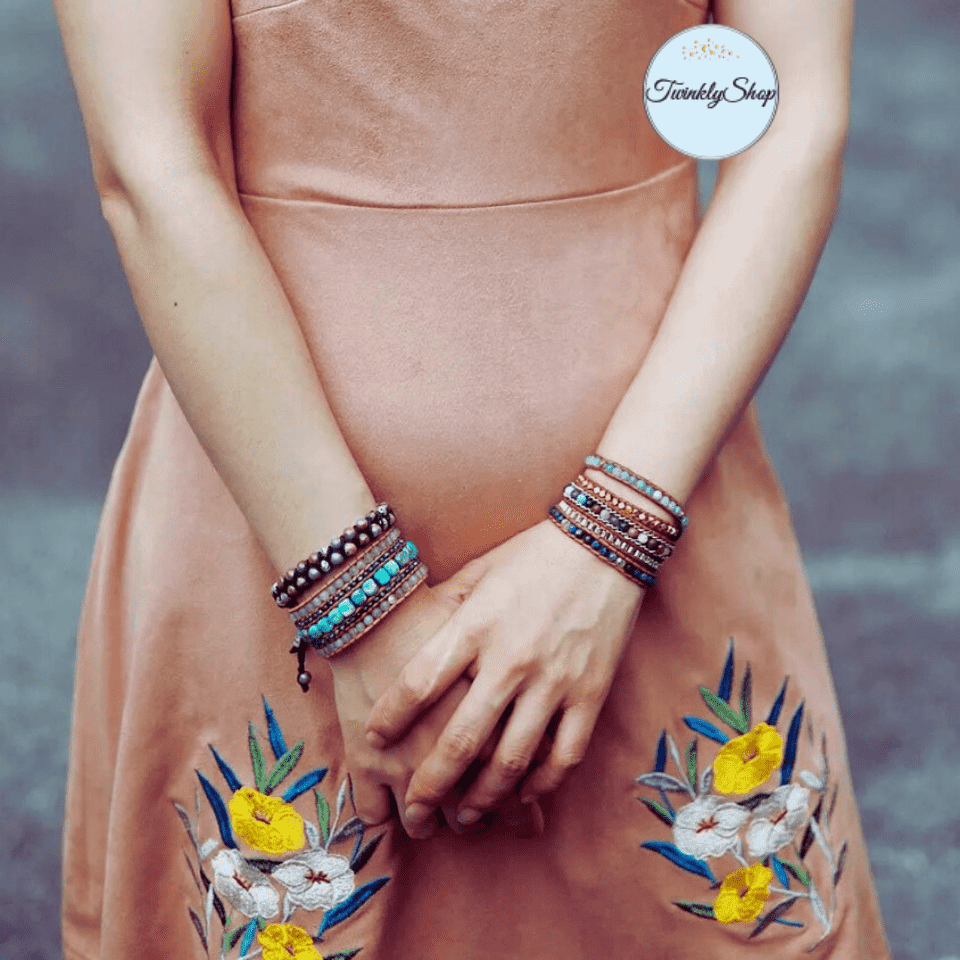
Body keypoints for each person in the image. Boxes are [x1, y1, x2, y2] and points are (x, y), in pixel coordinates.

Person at [54, 0, 895, 955]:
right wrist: (355, 604)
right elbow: (152, 167)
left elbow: (792, 121)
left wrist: (607, 543)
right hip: (278, 527)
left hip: (652, 519)